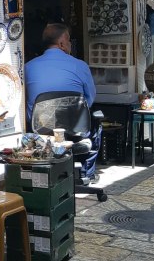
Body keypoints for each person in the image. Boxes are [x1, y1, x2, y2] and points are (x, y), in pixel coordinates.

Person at [25, 23, 100, 181]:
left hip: (40, 129)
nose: (70, 44)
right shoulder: (79, 66)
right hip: (74, 130)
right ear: (61, 44)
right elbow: (90, 99)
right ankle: (87, 174)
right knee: (97, 125)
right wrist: (71, 113)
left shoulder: (27, 67)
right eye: (69, 41)